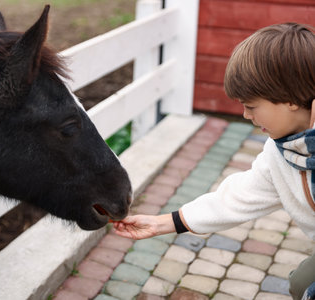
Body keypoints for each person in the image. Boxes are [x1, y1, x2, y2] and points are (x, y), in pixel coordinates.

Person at [112, 23, 315, 300]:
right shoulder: (279, 153)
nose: (245, 115)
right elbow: (235, 198)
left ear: (290, 100)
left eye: (251, 106)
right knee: (300, 284)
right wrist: (162, 223)